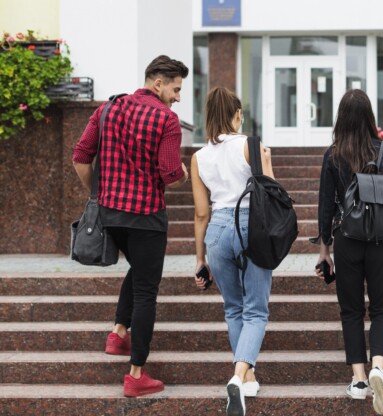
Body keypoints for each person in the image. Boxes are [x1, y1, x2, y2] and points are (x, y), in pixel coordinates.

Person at [72, 55, 189, 397]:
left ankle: (118, 333)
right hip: (147, 216)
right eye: (176, 89)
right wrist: (184, 174)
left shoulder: (108, 109)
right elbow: (169, 173)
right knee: (146, 290)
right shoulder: (167, 120)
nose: (178, 97)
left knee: (139, 269)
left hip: (110, 214)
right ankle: (136, 374)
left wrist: (100, 194)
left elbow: (80, 156)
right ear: (158, 83)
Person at [313, 89, 383, 416]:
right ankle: (378, 368)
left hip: (347, 239)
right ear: (370, 116)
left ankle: (359, 380)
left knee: (351, 310)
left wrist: (323, 251)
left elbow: (325, 208)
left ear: (341, 117)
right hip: (382, 239)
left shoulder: (332, 155)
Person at [191, 87, 275, 416]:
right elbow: (273, 196)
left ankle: (248, 376)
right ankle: (239, 377)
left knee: (233, 309)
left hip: (217, 232)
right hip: (252, 228)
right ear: (237, 114)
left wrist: (200, 260)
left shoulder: (198, 157)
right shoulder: (252, 146)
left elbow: (200, 213)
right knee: (256, 310)